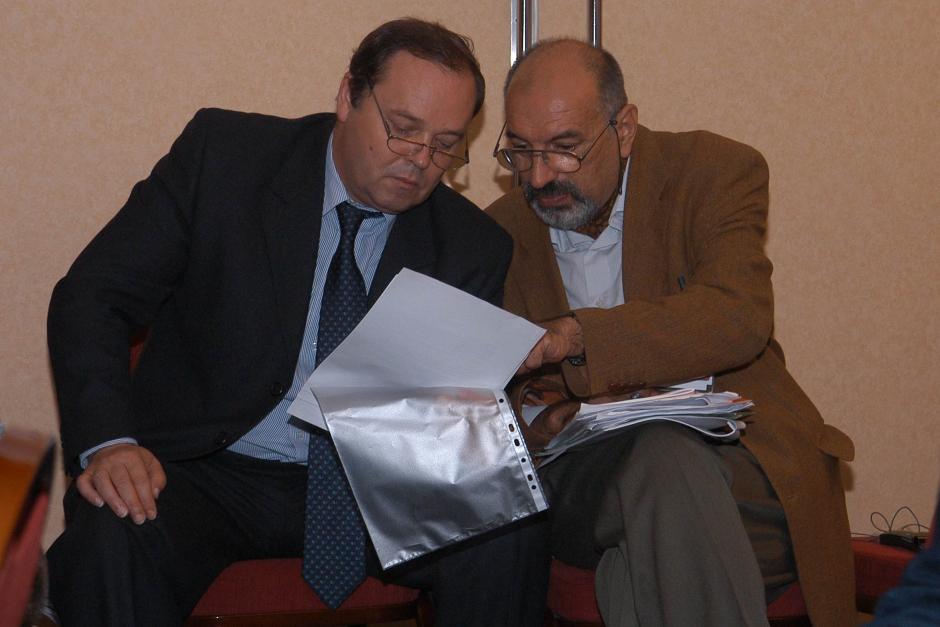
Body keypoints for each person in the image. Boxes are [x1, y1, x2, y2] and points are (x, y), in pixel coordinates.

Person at [46, 18, 547, 627]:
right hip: (207, 473)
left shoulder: (470, 246)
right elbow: (94, 296)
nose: (421, 160)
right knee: (112, 528)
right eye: (403, 129)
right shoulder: (225, 160)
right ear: (348, 96)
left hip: (372, 488)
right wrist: (111, 443)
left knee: (508, 527)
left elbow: (440, 434)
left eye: (445, 144)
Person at [489, 39, 856, 627]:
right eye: (521, 151)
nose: (539, 175)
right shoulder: (497, 232)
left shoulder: (711, 173)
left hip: (739, 459)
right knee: (664, 464)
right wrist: (546, 418)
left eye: (564, 149)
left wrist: (575, 337)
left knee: (652, 539)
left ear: (624, 128)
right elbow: (490, 394)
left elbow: (737, 315)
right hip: (586, 480)